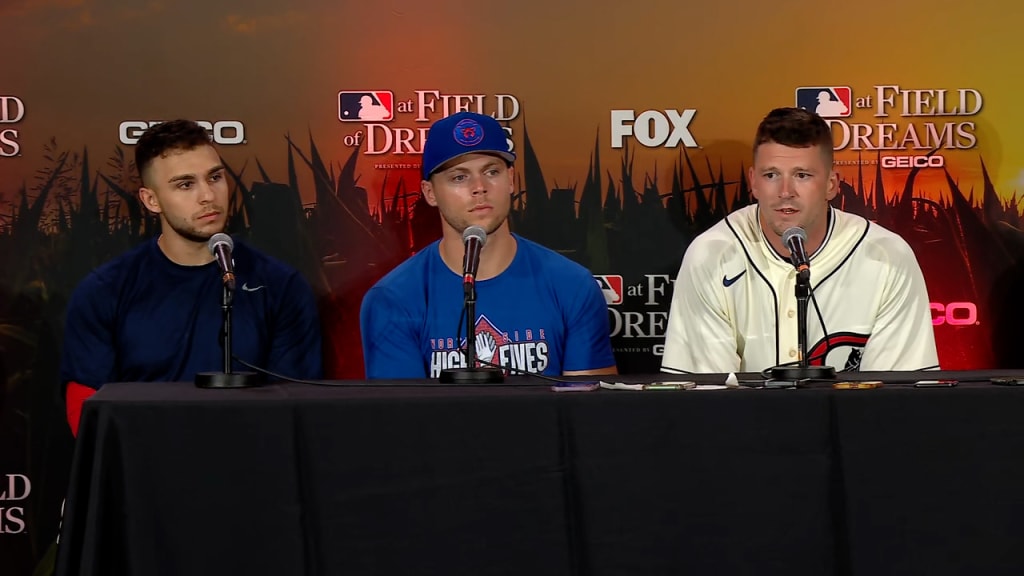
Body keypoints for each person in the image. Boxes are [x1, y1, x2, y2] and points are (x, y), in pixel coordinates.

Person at [60, 119, 323, 435]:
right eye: (185, 184)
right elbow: (86, 411)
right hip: (145, 474)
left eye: (215, 177)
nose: (208, 196)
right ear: (150, 200)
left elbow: (297, 407)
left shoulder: (282, 286)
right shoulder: (104, 291)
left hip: (252, 473)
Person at [661, 107, 939, 374]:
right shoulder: (712, 255)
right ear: (753, 182)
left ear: (831, 184)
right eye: (771, 175)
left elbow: (894, 398)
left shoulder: (887, 256)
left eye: (802, 175)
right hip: (745, 423)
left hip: (853, 422)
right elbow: (706, 399)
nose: (785, 191)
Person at [360, 111, 617, 379]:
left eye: (492, 171)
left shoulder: (571, 285)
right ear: (430, 193)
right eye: (459, 177)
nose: (479, 187)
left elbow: (589, 412)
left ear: (511, 179)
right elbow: (401, 416)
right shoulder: (394, 299)